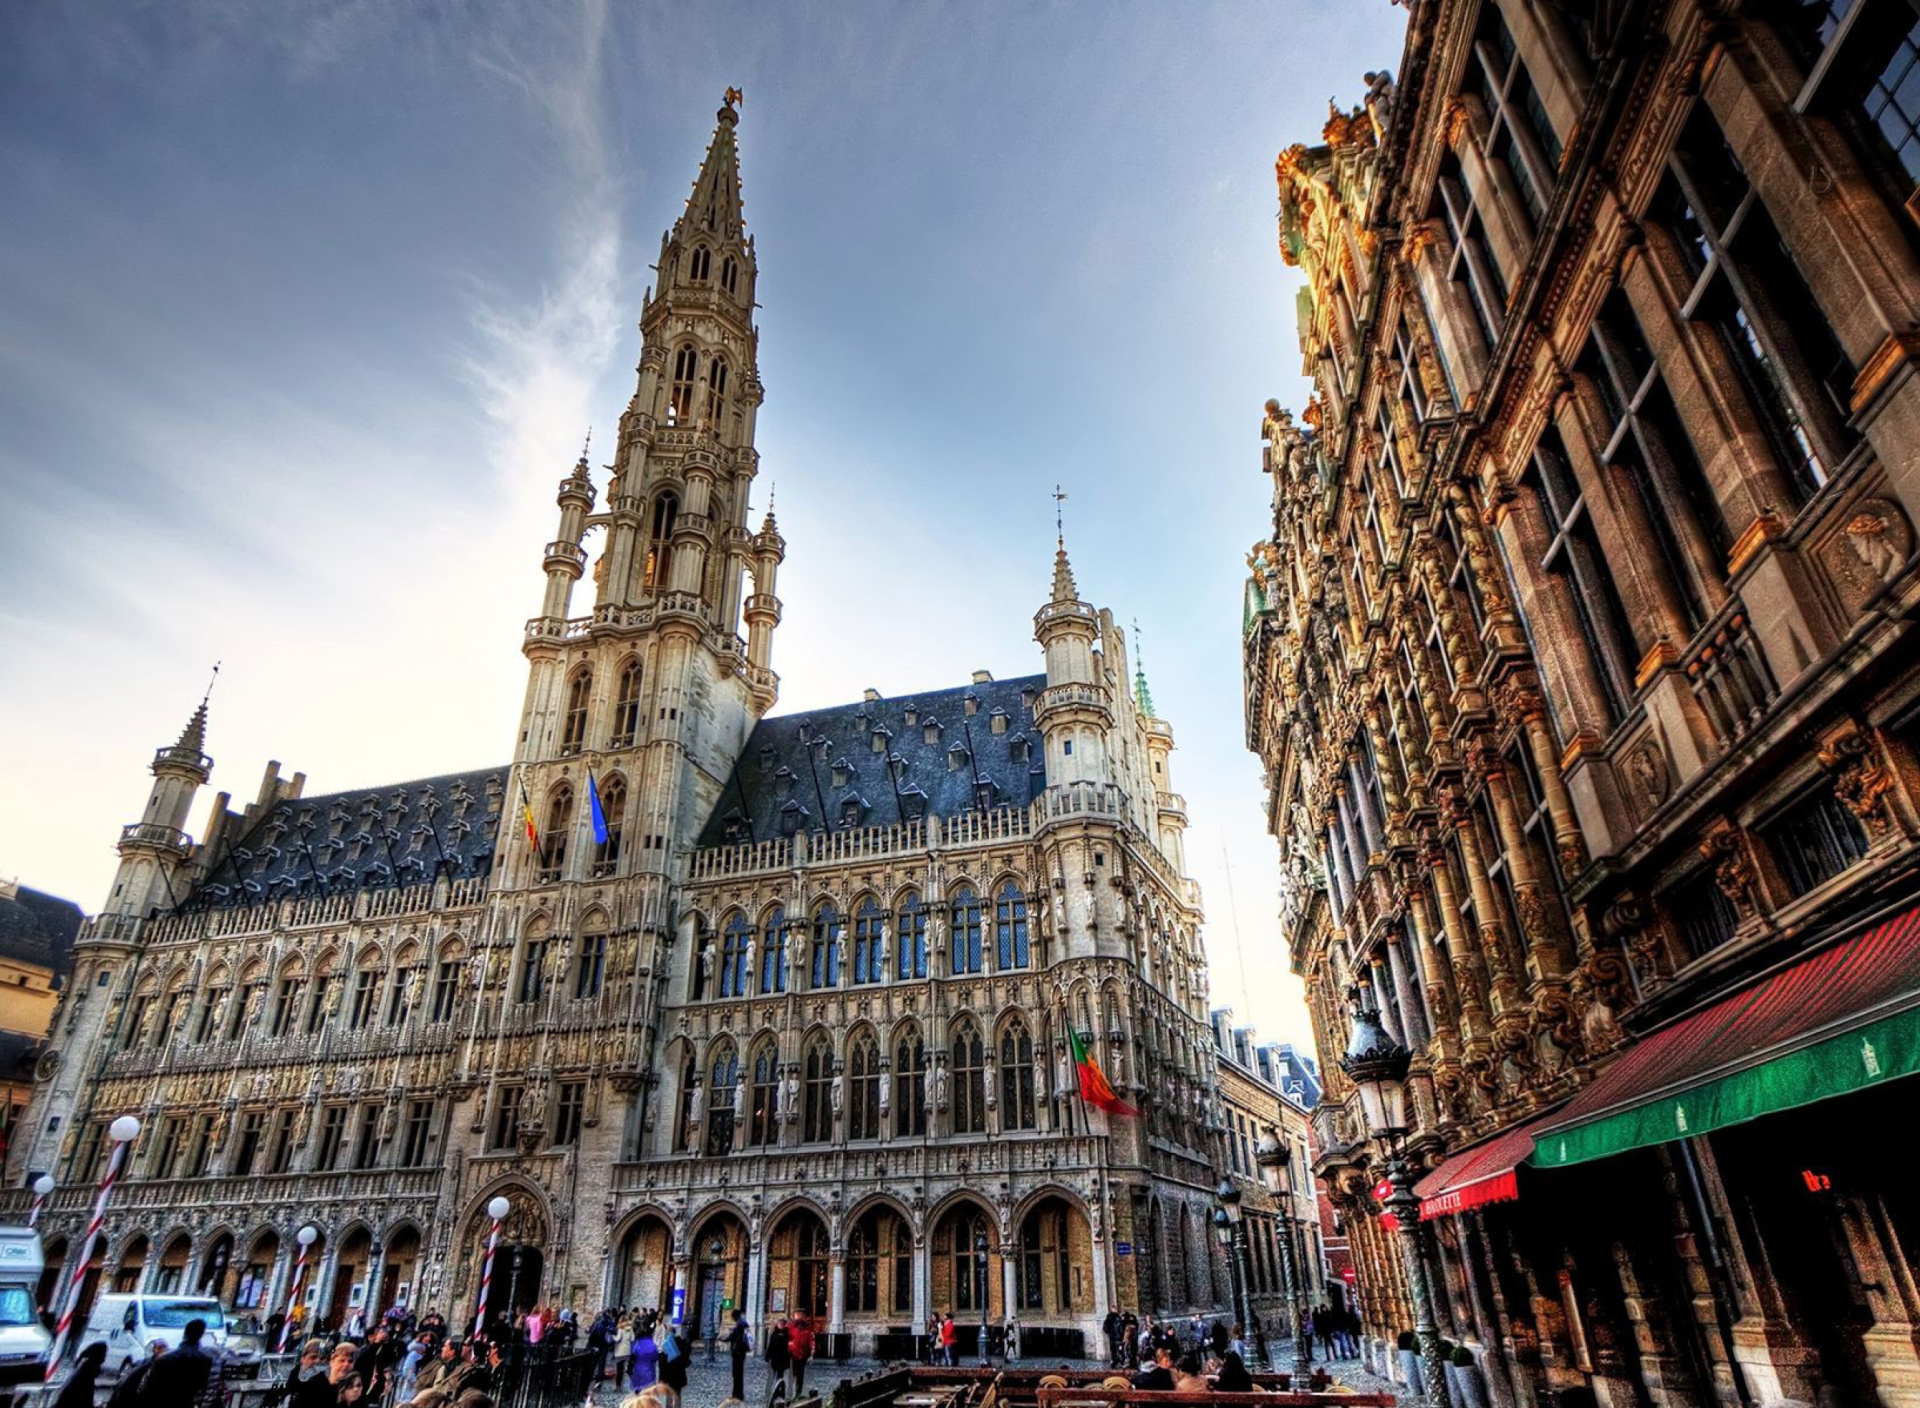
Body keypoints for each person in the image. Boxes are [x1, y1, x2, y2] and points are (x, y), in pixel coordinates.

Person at [136, 1317, 215, 1404]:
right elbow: (203, 1389)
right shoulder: (205, 1361)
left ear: (184, 1334)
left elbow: (145, 1389)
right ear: (200, 1336)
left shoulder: (164, 1359)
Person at [54, 1341, 107, 1408]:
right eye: (104, 1354)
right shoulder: (86, 1376)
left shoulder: (84, 1370)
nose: (105, 1358)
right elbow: (85, 1400)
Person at [659, 1317, 689, 1400]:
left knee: (669, 1394)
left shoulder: (665, 1343)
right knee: (677, 1394)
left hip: (668, 1372)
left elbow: (662, 1361)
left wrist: (662, 1377)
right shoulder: (681, 1342)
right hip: (679, 1372)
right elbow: (686, 1357)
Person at [763, 1315, 791, 1403]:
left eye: (782, 1323)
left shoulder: (787, 1334)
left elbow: (789, 1347)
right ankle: (768, 1393)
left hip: (782, 1359)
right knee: (771, 1377)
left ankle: (779, 1393)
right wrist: (767, 1356)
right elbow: (770, 1346)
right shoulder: (774, 1333)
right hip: (774, 1359)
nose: (781, 1325)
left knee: (780, 1377)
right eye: (779, 1323)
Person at [629, 1316, 661, 1389]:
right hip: (649, 1368)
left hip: (638, 1368)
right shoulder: (651, 1345)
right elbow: (655, 1357)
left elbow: (633, 1355)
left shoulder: (637, 1344)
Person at [787, 1312, 814, 1395]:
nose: (799, 1318)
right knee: (792, 1373)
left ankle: (798, 1393)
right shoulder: (790, 1327)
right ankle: (790, 1392)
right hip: (792, 1354)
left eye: (801, 1316)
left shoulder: (808, 1329)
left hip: (802, 1355)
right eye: (797, 1316)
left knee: (800, 1375)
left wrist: (812, 1354)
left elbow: (812, 1342)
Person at [727, 1309, 751, 1399]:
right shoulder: (744, 1324)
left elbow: (733, 1337)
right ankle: (737, 1393)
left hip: (737, 1352)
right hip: (741, 1352)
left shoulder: (739, 1325)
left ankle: (737, 1394)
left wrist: (725, 1337)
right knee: (738, 1374)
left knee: (737, 1374)